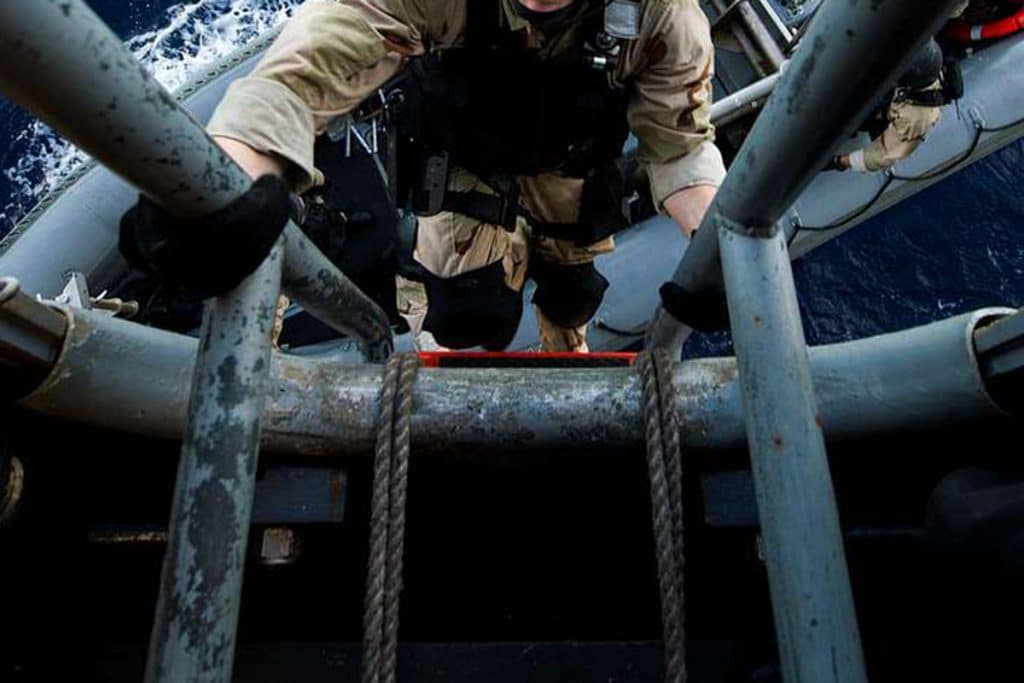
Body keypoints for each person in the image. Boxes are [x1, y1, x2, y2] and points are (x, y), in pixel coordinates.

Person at [134, 0, 726, 352]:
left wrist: (719, 252)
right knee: (466, 316)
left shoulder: (662, 17)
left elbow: (679, 147)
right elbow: (304, 72)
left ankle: (565, 344)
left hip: (568, 173)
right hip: (469, 161)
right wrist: (223, 183)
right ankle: (458, 304)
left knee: (573, 292)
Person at [828, 38, 955, 174]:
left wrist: (841, 161)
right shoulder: (913, 45)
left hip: (885, 110)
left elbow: (885, 154)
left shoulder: (917, 119)